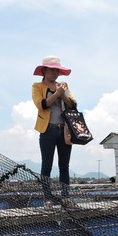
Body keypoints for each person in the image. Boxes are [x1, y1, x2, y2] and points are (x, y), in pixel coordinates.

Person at [32, 55, 78, 209]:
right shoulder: (37, 87)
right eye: (52, 70)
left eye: (57, 70)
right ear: (44, 70)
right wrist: (58, 94)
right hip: (47, 130)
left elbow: (73, 105)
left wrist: (62, 94)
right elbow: (42, 105)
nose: (55, 73)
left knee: (64, 166)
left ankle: (66, 197)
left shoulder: (63, 86)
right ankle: (47, 199)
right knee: (47, 166)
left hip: (64, 130)